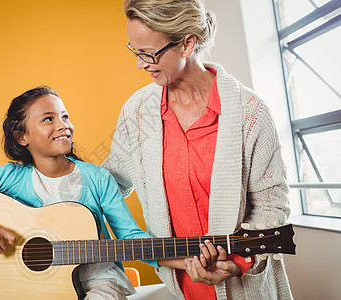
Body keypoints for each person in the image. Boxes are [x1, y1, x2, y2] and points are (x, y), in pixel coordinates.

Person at [102, 0, 293, 299]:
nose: (139, 64)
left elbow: (272, 205)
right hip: (181, 289)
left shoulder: (251, 114)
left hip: (246, 288)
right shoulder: (137, 114)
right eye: (134, 51)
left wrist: (239, 262)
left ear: (187, 44)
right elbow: (106, 184)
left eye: (148, 53)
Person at [0, 86, 160, 300]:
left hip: (99, 282)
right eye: (48, 119)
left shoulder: (98, 178)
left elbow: (130, 238)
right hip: (41, 289)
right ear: (21, 136)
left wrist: (183, 256)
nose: (63, 125)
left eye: (65, 116)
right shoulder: (11, 177)